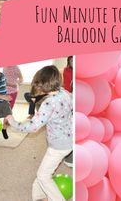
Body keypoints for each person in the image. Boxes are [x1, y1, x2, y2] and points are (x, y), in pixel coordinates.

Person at [6, 65, 72, 201]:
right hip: (69, 140)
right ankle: (37, 197)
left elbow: (32, 126)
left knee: (43, 176)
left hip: (59, 146)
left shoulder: (48, 104)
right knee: (43, 172)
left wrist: (12, 121)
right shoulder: (65, 93)